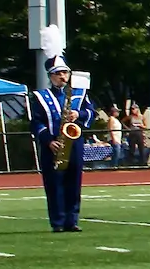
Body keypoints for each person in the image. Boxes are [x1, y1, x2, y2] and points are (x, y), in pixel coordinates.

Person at [27, 30, 99, 232]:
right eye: (58, 73)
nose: (62, 77)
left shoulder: (79, 93)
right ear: (50, 76)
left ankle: (72, 220)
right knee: (54, 184)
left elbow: (91, 113)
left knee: (74, 183)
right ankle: (57, 222)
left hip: (74, 143)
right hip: (53, 144)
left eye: (65, 72)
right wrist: (48, 140)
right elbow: (35, 123)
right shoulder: (40, 96)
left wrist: (80, 115)